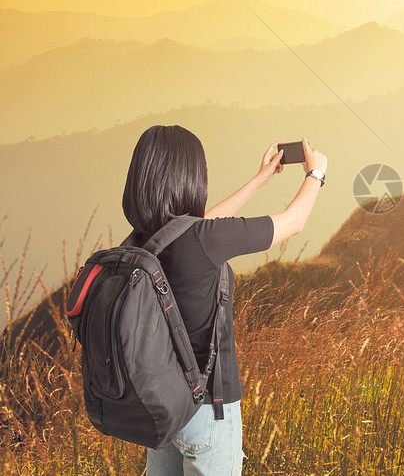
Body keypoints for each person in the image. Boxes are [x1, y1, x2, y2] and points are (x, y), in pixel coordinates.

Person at [121, 125, 327, 475]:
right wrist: (316, 172)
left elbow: (198, 225)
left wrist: (260, 179)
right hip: (207, 411)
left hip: (161, 405)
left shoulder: (139, 242)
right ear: (190, 177)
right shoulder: (202, 240)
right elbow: (293, 222)